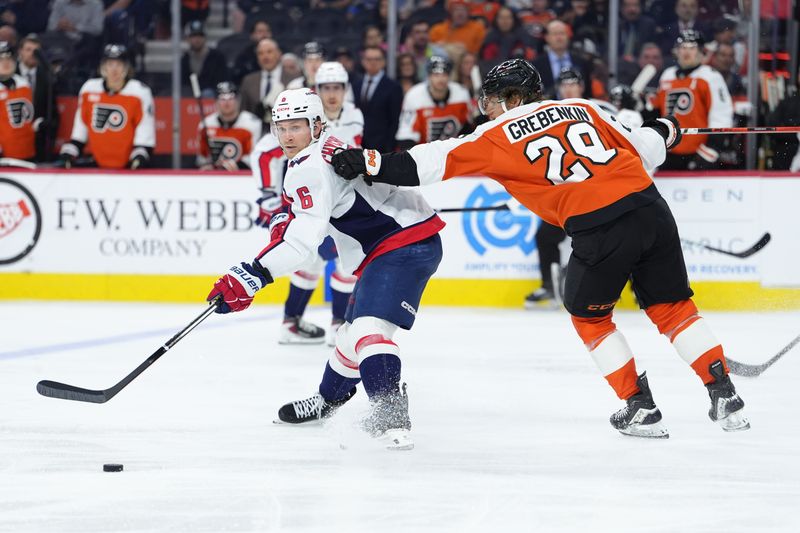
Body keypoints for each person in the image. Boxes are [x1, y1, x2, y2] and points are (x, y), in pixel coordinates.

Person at [331, 58, 750, 438]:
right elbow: (645, 150)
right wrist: (665, 130)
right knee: (674, 307)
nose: (487, 110)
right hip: (651, 209)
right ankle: (725, 395)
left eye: (493, 101)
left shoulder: (494, 134)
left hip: (597, 226)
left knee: (590, 317)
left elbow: (425, 162)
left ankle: (640, 406)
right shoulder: (587, 107)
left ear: (514, 99)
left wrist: (367, 162)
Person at [207, 88, 445, 450]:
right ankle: (327, 400)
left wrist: (254, 274)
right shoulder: (325, 146)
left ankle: (392, 414)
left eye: (297, 126)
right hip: (399, 239)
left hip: (402, 244)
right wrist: (285, 220)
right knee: (349, 336)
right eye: (281, 127)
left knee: (368, 329)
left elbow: (304, 243)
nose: (287, 135)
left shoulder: (309, 167)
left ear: (316, 125)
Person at [251, 62, 362, 345]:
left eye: (337, 87)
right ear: (317, 90)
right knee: (324, 259)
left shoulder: (353, 115)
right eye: (326, 87)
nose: (332, 93)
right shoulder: (300, 115)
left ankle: (302, 323)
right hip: (304, 199)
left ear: (345, 89)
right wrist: (269, 197)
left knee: (325, 260)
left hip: (331, 200)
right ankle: (331, 325)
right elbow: (264, 153)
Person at [59, 43, 155, 169]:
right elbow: (81, 127)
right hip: (98, 162)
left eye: (119, 65)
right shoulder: (89, 89)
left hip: (128, 166)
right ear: (103, 67)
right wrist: (72, 148)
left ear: (126, 68)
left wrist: (140, 153)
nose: (114, 70)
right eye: (110, 64)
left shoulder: (139, 92)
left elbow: (145, 132)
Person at [652, 30, 732, 170]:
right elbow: (658, 111)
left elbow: (722, 116)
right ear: (676, 51)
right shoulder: (667, 75)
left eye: (692, 48)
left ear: (701, 51)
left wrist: (709, 152)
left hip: (697, 155)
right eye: (683, 48)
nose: (686, 52)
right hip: (668, 155)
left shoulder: (710, 76)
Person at [396, 55, 473, 149]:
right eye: (436, 75)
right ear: (429, 76)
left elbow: (468, 128)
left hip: (453, 152)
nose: (441, 79)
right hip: (422, 153)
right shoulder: (414, 96)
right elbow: (406, 135)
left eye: (444, 75)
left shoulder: (461, 94)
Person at [196, 82, 261, 171]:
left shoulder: (252, 123)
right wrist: (206, 165)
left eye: (231, 98)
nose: (227, 103)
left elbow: (255, 155)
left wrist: (239, 166)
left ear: (238, 101)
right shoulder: (205, 125)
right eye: (222, 99)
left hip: (244, 177)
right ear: (216, 102)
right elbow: (202, 157)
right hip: (213, 178)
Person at [16, 34, 58, 162]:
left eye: (36, 51)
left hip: (37, 140)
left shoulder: (47, 77)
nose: (32, 54)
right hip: (11, 135)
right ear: (20, 52)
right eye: (28, 49)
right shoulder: (9, 74)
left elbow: (52, 111)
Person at [352, 46, 403, 152]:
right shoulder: (356, 85)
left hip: (383, 147)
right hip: (358, 144)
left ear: (383, 62)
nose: (373, 62)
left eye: (377, 59)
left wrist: (390, 147)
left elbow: (395, 120)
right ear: (363, 61)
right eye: (369, 59)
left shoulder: (393, 87)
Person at [0, 41, 36, 162]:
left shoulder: (24, 84)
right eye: (1, 59)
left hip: (27, 151)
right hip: (3, 154)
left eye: (9, 58)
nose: (6, 63)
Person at [180, 20, 230, 98]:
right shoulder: (184, 59)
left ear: (205, 37)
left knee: (207, 93)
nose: (197, 39)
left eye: (200, 35)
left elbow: (223, 81)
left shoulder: (217, 57)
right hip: (189, 97)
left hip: (213, 97)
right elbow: (182, 83)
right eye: (193, 36)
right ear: (188, 39)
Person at [239, 38, 283, 125]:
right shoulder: (248, 81)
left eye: (269, 52)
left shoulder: (293, 77)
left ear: (279, 54)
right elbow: (243, 111)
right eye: (260, 53)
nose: (265, 57)